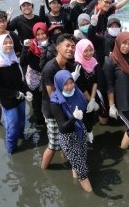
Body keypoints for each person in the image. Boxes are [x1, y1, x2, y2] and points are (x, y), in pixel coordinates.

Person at [50, 70, 92, 192]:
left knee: (82, 159)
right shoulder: (56, 101)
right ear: (59, 85)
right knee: (83, 170)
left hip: (80, 131)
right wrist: (74, 118)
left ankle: (75, 179)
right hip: (68, 138)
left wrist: (89, 130)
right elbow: (62, 127)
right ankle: (90, 194)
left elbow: (84, 113)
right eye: (65, 84)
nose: (69, 87)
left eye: (71, 83)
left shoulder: (76, 92)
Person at [0, 34, 32, 155]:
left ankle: (21, 138)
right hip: (8, 101)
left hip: (20, 98)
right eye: (5, 43)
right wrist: (14, 93)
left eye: (11, 42)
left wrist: (26, 91)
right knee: (12, 127)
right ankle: (11, 150)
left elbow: (19, 80)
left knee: (22, 123)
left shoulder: (13, 60)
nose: (9, 45)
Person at [40, 34, 77, 170]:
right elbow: (53, 96)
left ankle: (66, 159)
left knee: (66, 139)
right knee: (54, 144)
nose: (70, 49)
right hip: (52, 110)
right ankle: (44, 168)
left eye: (73, 47)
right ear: (58, 47)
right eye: (67, 46)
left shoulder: (70, 66)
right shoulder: (49, 68)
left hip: (67, 107)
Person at [20, 22, 49, 126]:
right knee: (36, 102)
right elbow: (22, 62)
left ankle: (50, 120)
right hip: (34, 77)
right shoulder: (31, 46)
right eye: (38, 34)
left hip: (47, 76)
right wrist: (25, 48)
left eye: (43, 33)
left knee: (48, 99)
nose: (41, 36)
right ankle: (40, 123)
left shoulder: (51, 44)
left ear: (47, 33)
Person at [74, 39, 106, 132]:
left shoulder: (94, 62)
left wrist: (92, 99)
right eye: (85, 51)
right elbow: (81, 86)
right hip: (81, 95)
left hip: (92, 92)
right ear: (80, 51)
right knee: (84, 120)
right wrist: (89, 100)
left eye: (90, 50)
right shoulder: (77, 65)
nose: (89, 53)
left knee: (95, 117)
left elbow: (96, 81)